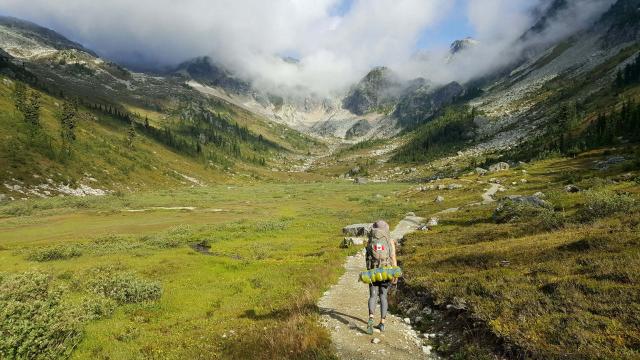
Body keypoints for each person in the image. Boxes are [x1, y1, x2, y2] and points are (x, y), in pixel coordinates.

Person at [365, 220, 397, 335]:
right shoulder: (389, 241)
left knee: (373, 295)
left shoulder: (370, 240)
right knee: (383, 296)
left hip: (373, 271)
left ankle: (370, 318)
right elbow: (393, 257)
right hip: (386, 272)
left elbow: (367, 256)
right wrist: (395, 273)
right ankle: (382, 323)